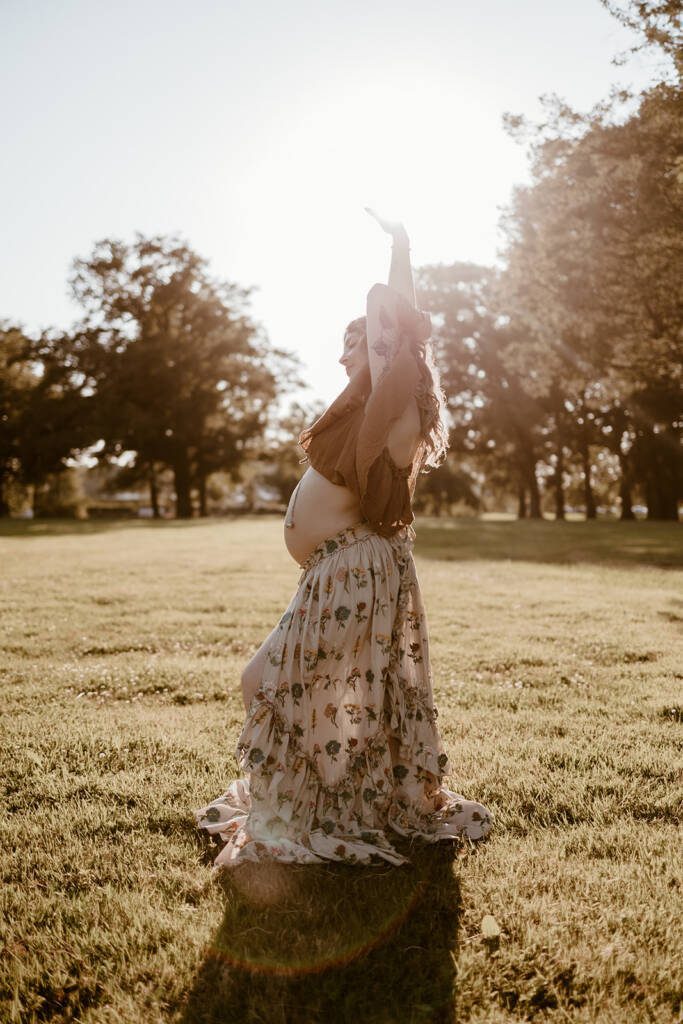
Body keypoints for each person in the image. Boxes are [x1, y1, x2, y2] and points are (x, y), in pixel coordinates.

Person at [193, 209, 493, 869]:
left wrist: (400, 246)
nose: (342, 354)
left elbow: (398, 320)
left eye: (354, 343)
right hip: (336, 569)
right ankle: (304, 803)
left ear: (388, 350)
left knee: (270, 685)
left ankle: (303, 812)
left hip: (353, 568)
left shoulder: (396, 395)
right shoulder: (363, 407)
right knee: (288, 689)